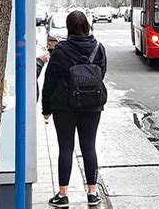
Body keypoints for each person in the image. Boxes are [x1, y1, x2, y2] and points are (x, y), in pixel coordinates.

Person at [42, 11, 107, 207]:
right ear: (87, 25)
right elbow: (101, 74)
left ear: (69, 27)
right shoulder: (98, 47)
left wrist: (46, 108)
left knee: (66, 148)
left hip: (65, 107)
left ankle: (63, 195)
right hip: (92, 105)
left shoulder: (61, 50)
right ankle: (92, 193)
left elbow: (50, 81)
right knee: (89, 147)